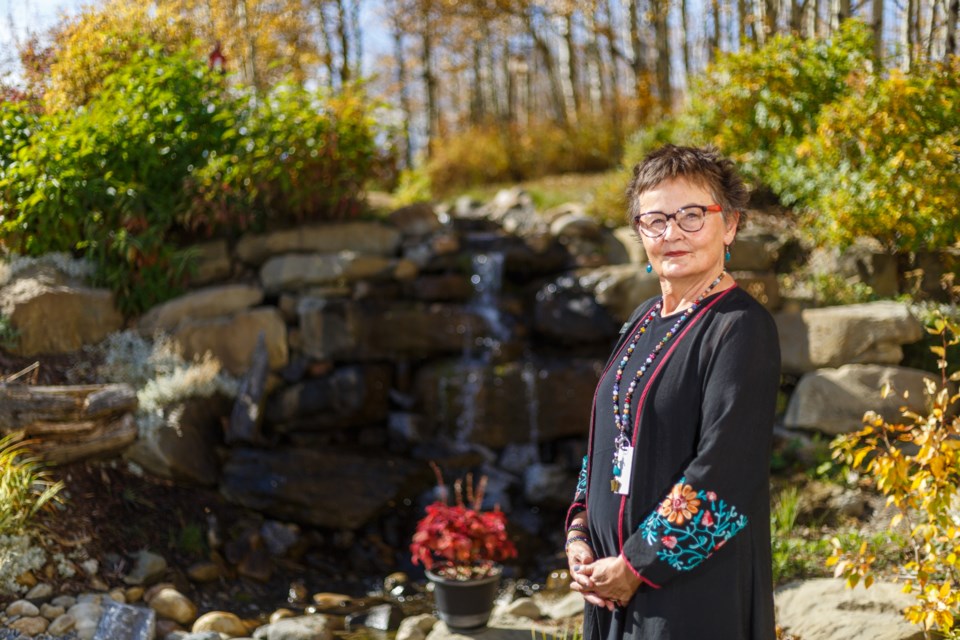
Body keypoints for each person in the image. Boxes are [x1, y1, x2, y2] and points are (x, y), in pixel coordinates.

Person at [564, 144, 780, 640]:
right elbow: (607, 440)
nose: (672, 233)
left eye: (691, 215)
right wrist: (578, 532)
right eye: (654, 220)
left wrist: (638, 566)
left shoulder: (740, 328)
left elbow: (725, 475)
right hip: (609, 584)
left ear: (729, 225)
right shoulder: (641, 320)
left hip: (688, 595)